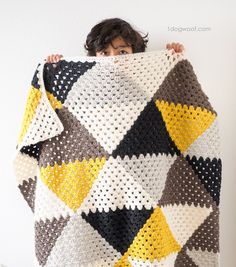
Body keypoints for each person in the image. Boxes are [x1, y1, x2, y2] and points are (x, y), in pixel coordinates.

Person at [46, 17, 185, 63]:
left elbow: (173, 91)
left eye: (122, 52)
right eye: (105, 53)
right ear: (95, 56)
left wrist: (172, 60)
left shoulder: (148, 81)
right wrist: (57, 69)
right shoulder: (85, 82)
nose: (114, 59)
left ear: (134, 53)